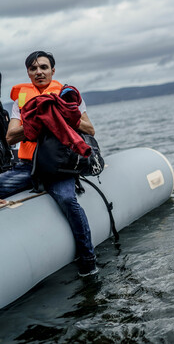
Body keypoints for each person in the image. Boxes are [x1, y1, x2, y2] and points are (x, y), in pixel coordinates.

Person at [0, 51, 98, 277]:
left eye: (43, 67)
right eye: (33, 69)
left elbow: (90, 129)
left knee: (66, 199)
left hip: (58, 167)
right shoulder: (21, 101)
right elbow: (10, 137)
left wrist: (59, 114)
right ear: (28, 73)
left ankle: (88, 259)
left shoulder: (67, 96)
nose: (39, 72)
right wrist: (38, 118)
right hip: (28, 166)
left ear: (53, 71)